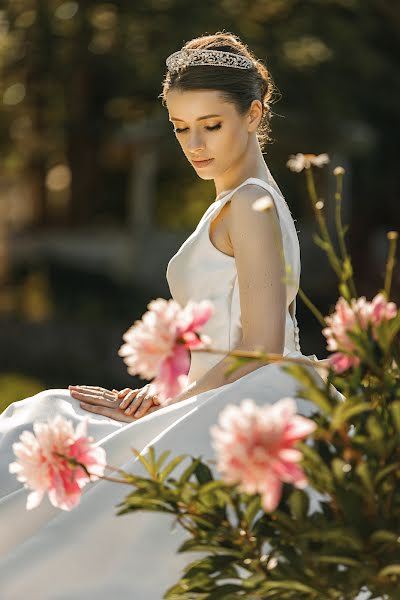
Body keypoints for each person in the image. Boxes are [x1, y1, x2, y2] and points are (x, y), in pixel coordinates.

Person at [0, 32, 335, 599]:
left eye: (212, 124)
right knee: (45, 425)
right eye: (181, 127)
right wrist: (156, 395)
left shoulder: (252, 203)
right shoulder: (237, 200)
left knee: (45, 429)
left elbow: (263, 347)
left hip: (248, 399)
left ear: (253, 114)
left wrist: (161, 405)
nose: (195, 143)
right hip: (219, 388)